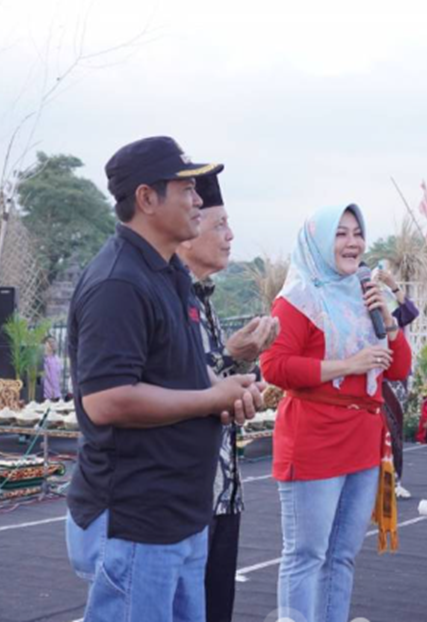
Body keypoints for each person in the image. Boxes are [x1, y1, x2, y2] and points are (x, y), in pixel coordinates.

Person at [63, 136, 264, 622]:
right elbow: (107, 401)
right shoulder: (119, 281)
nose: (198, 200)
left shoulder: (171, 275)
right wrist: (207, 398)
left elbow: (185, 379)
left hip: (181, 514)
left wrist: (228, 392)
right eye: (186, 189)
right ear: (147, 199)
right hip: (137, 518)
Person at [261, 204, 412, 622]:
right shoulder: (298, 298)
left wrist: (391, 322)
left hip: (362, 438)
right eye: (341, 234)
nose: (353, 243)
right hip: (314, 438)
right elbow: (274, 367)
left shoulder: (364, 294)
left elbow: (397, 369)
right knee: (307, 554)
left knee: (343, 555)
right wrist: (348, 366)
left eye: (358, 233)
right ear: (319, 242)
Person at [176, 171, 279, 622]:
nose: (230, 235)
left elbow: (212, 381)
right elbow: (177, 388)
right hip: (183, 494)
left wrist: (242, 369)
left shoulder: (204, 296)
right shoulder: (163, 295)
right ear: (187, 230)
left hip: (224, 490)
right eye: (219, 224)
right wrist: (230, 357)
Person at [371, 264, 418, 499]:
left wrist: (391, 284)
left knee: (394, 427)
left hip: (395, 376)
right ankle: (375, 479)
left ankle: (395, 478)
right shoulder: (363, 311)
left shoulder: (392, 309)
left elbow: (411, 312)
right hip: (372, 374)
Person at [42, 337, 63, 401]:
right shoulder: (47, 359)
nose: (45, 347)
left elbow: (54, 378)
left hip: (52, 393)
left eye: (47, 346)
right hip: (48, 391)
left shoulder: (54, 360)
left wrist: (54, 391)